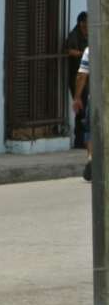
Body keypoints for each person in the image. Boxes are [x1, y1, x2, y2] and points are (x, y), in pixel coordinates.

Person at [67, 12, 90, 149]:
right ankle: (79, 141)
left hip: (87, 78)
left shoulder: (88, 36)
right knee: (81, 108)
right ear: (82, 23)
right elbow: (68, 50)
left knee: (86, 107)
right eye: (88, 22)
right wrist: (82, 55)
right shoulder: (74, 35)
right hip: (77, 78)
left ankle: (83, 141)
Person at [74, 45, 93, 182]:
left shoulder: (90, 49)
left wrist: (77, 97)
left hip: (98, 97)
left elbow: (82, 75)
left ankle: (92, 157)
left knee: (91, 129)